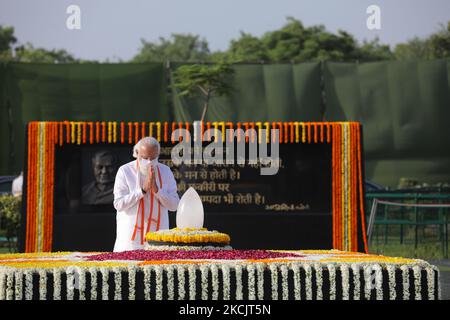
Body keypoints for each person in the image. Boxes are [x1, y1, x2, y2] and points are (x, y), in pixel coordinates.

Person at [113, 136, 180, 252]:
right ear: (136, 153)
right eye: (145, 158)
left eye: (153, 158)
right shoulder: (125, 171)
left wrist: (157, 191)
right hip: (130, 242)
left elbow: (174, 205)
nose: (149, 162)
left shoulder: (165, 171)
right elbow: (119, 204)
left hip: (158, 241)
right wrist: (142, 190)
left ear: (158, 155)